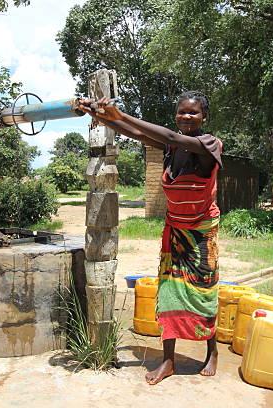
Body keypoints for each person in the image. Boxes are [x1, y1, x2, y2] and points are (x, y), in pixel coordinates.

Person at [79, 91, 223, 385]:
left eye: (193, 113)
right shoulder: (171, 148)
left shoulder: (208, 144)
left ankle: (212, 351)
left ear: (204, 117)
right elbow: (133, 132)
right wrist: (100, 115)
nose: (186, 117)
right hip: (175, 230)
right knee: (168, 293)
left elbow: (170, 136)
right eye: (182, 112)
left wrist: (120, 113)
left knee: (204, 292)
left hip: (201, 232)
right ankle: (168, 360)